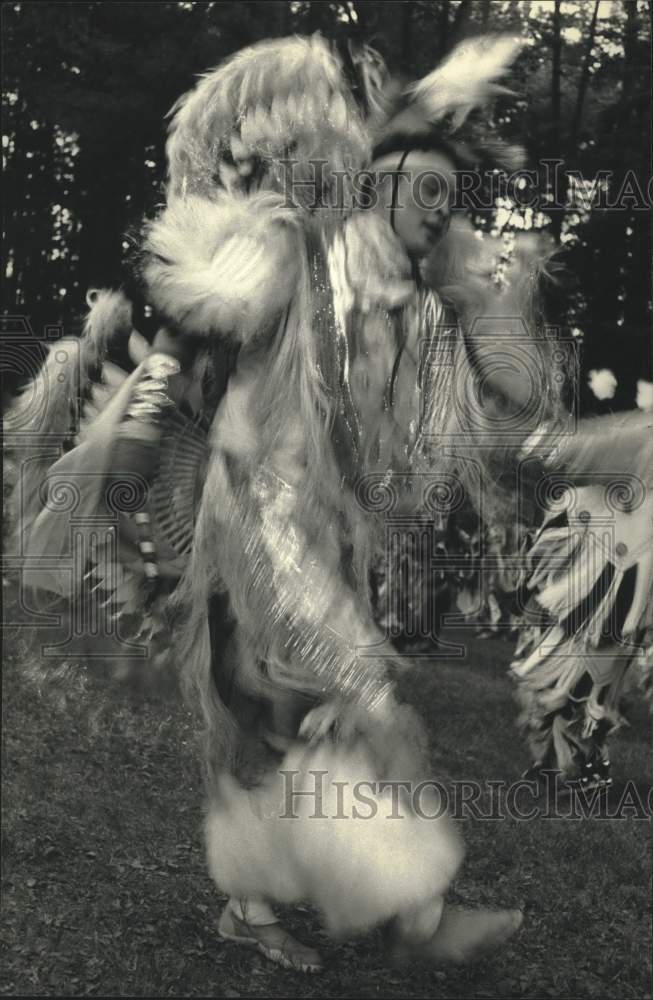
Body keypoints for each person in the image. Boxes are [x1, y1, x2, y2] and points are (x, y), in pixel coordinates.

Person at [11, 33, 535, 971]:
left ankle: (293, 899)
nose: (434, 211)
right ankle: (392, 909)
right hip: (252, 522)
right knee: (329, 699)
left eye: (446, 198)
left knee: (292, 712)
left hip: (320, 530)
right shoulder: (278, 250)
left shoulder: (377, 283)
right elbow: (177, 346)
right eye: (416, 190)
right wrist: (127, 495)